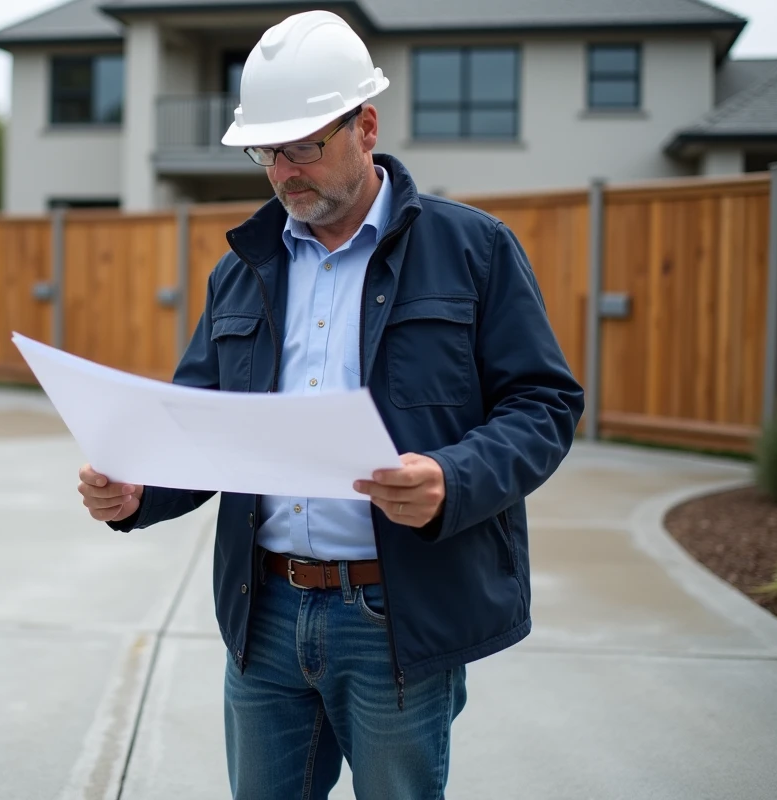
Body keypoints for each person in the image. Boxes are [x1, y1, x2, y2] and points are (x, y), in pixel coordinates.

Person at [77, 10, 584, 800]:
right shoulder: (242, 271)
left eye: (304, 146)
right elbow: (200, 427)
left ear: (366, 126)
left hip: (397, 619)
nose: (283, 171)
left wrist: (453, 477)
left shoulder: (475, 250)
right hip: (265, 613)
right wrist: (138, 490)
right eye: (266, 151)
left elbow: (545, 403)